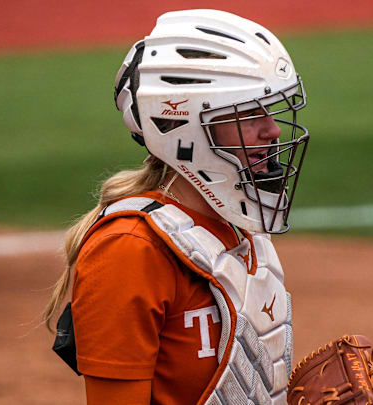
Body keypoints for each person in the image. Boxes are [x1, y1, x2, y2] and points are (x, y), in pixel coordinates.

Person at [43, 9, 308, 405]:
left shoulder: (239, 229)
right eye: (250, 112)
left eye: (269, 110)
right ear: (188, 128)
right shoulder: (129, 250)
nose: (272, 130)